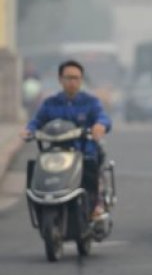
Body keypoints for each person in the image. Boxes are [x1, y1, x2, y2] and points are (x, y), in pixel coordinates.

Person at [21, 59, 111, 220]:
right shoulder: (50, 103)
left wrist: (100, 125)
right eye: (68, 78)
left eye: (76, 78)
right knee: (35, 166)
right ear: (60, 79)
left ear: (81, 80)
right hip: (57, 154)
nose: (72, 82)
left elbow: (102, 117)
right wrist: (29, 130)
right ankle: (39, 203)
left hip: (84, 152)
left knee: (92, 167)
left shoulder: (91, 102)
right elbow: (37, 121)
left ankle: (96, 204)